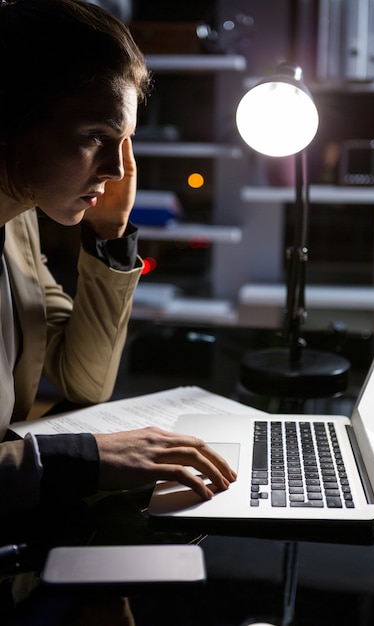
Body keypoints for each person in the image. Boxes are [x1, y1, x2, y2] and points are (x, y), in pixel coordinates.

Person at [0, 0, 236, 621]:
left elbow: (83, 378)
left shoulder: (15, 221)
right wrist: (88, 457)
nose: (115, 170)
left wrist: (108, 238)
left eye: (124, 142)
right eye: (93, 139)